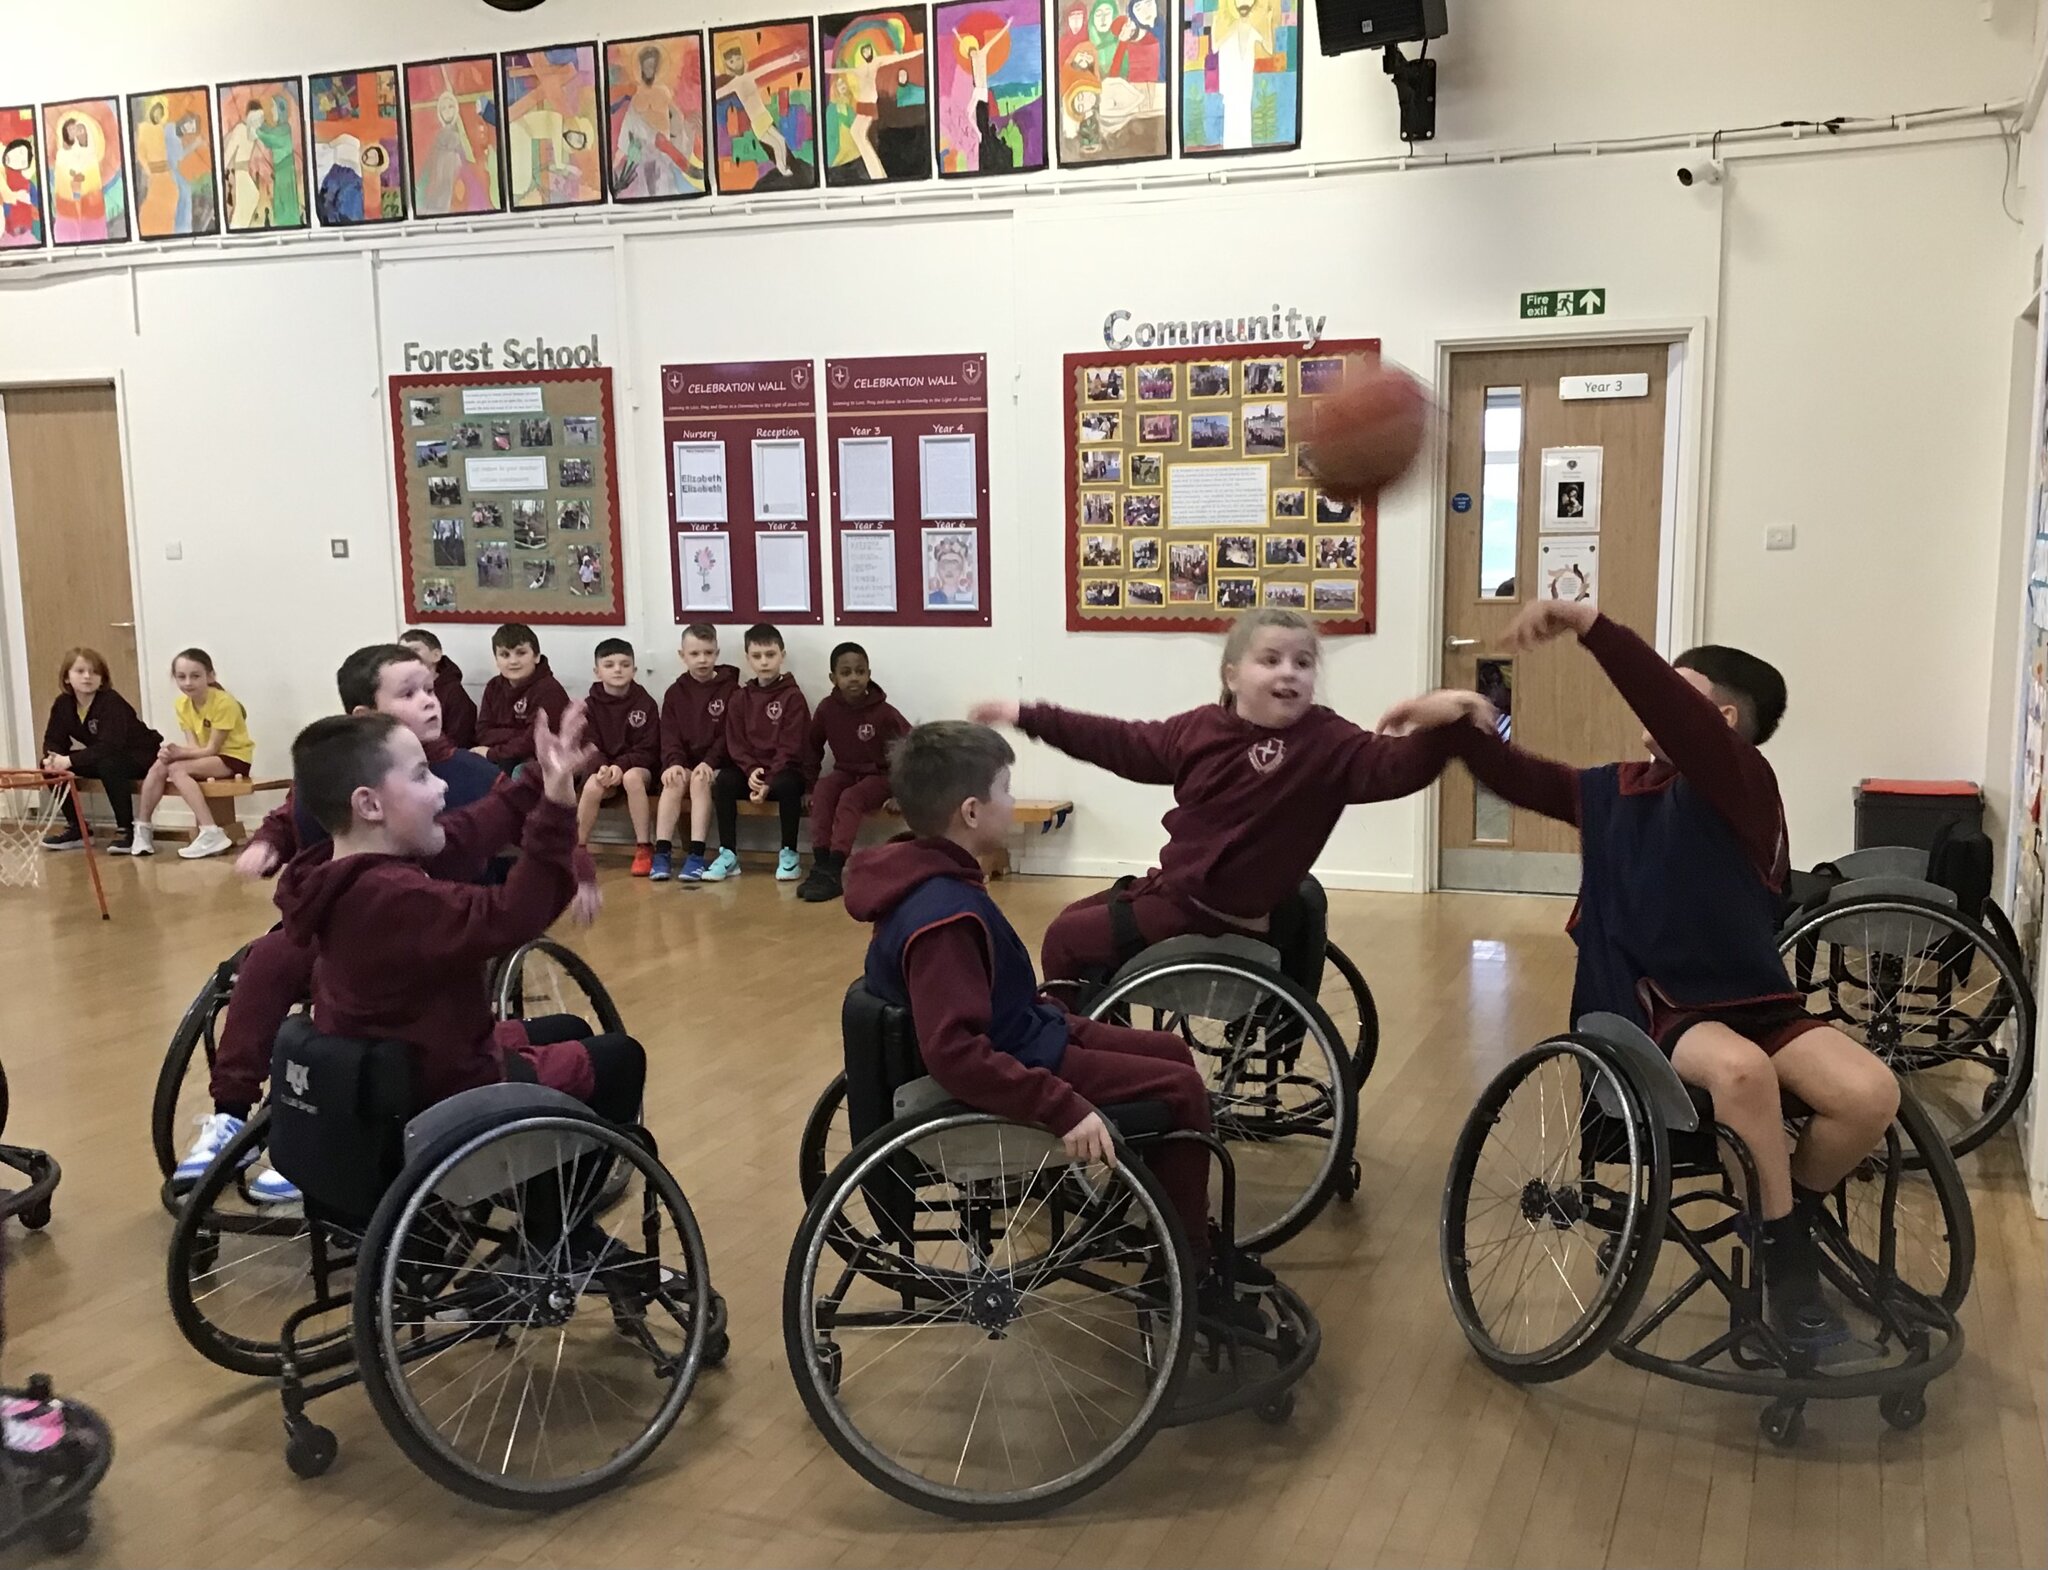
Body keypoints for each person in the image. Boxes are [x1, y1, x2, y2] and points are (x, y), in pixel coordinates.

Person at [1380, 599, 1902, 1348]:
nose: (1657, 694)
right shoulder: (1618, 790)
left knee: (1869, 1092)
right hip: (1653, 1003)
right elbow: (1517, 777)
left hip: (1752, 994)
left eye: (1677, 686)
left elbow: (1664, 705)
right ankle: (1788, 1260)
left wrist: (1591, 625)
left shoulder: (1743, 782)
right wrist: (1466, 717)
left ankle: (1783, 1214)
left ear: (1721, 720)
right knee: (1744, 1073)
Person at [847, 721, 1269, 1331]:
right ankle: (1189, 1274)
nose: (1012, 802)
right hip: (1015, 1066)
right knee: (1181, 1091)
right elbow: (955, 1052)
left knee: (1171, 1052)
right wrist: (1061, 1107)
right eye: (1005, 789)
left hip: (1027, 1033)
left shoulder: (935, 879)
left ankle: (1179, 1231)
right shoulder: (943, 915)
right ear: (971, 811)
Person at [178, 643, 600, 1197]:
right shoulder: (338, 775)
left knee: (560, 1029)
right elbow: (290, 817)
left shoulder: (465, 774)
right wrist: (266, 841)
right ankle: (246, 1114)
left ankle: (318, 1128)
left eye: (431, 688)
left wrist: (578, 861)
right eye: (409, 693)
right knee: (271, 958)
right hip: (383, 932)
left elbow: (485, 822)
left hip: (417, 928)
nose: (430, 701)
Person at [274, 706, 654, 1277]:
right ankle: (556, 1235)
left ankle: (543, 1208)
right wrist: (554, 809)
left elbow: (471, 829)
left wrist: (537, 780)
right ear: (369, 804)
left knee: (569, 1030)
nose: (443, 784)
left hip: (389, 1068)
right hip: (442, 1090)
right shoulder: (394, 897)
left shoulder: (334, 872)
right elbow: (511, 914)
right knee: (620, 1057)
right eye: (422, 775)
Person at [970, 607, 1460, 992]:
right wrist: (1027, 715)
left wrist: (1445, 724)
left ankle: (1079, 1056)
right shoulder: (1201, 729)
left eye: (1303, 662)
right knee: (1072, 921)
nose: (1288, 673)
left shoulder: (1329, 742)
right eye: (1270, 660)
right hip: (1179, 894)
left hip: (1207, 907)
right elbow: (1119, 741)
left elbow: (1398, 766)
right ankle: (1106, 1042)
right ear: (1232, 676)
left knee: (1065, 941)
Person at [798, 642, 909, 904]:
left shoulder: (884, 712)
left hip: (880, 778)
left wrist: (902, 793)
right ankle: (821, 865)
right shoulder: (827, 709)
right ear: (833, 678)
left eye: (860, 672)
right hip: (845, 771)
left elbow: (911, 750)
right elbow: (812, 747)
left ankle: (835, 869)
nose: (854, 678)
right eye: (846, 673)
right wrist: (809, 786)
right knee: (825, 790)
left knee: (851, 798)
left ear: (869, 674)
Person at [39, 647, 163, 855]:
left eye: (94, 672)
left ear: (102, 678)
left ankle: (126, 829)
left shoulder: (111, 701)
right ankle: (77, 828)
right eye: (80, 671)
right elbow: (54, 738)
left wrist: (70, 760)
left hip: (141, 756)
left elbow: (110, 745)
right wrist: (53, 757)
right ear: (67, 677)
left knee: (109, 764)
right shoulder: (63, 704)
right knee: (50, 767)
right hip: (106, 756)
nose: (88, 676)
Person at [133, 648, 255, 860]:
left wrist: (180, 755)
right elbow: (194, 746)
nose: (188, 682)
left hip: (234, 758)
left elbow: (211, 749)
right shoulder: (181, 704)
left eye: (195, 676)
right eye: (181, 677)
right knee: (160, 764)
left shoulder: (224, 702)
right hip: (207, 756)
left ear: (210, 676)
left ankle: (210, 830)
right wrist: (172, 753)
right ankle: (143, 828)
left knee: (177, 768)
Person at [711, 624, 811, 883]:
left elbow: (791, 745)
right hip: (751, 772)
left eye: (770, 654)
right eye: (757, 656)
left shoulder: (793, 697)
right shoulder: (740, 697)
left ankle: (789, 853)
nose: (764, 661)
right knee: (724, 781)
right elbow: (735, 742)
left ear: (782, 655)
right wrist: (750, 770)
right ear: (747, 659)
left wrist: (769, 779)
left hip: (783, 771)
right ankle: (728, 854)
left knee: (789, 784)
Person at [653, 624, 740, 883]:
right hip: (686, 763)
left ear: (717, 653)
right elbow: (669, 735)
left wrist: (709, 762)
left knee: (701, 780)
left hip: (719, 765)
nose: (702, 659)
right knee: (673, 780)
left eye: (708, 652)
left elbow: (729, 735)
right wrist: (673, 762)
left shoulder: (732, 691)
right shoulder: (674, 693)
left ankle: (696, 854)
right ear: (683, 655)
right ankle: (662, 852)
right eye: (694, 654)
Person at [578, 638, 659, 875]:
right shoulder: (589, 706)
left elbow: (649, 749)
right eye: (610, 664)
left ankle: (644, 846)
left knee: (632, 779)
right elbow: (588, 745)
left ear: (634, 670)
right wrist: (603, 767)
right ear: (597, 671)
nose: (617, 669)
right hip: (604, 769)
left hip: (637, 768)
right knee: (592, 786)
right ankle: (579, 848)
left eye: (624, 664)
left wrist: (621, 767)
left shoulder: (645, 703)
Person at [474, 623, 570, 773]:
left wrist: (492, 753)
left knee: (520, 771)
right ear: (496, 660)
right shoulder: (493, 686)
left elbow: (536, 741)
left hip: (541, 760)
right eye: (505, 655)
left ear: (536, 657)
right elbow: (483, 732)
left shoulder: (550, 690)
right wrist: (518, 733)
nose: (513, 661)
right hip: (504, 756)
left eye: (521, 653)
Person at [397, 627, 478, 748]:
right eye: (402, 652)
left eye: (415, 650)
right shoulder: (398, 689)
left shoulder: (453, 693)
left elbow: (459, 740)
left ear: (436, 655)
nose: (407, 656)